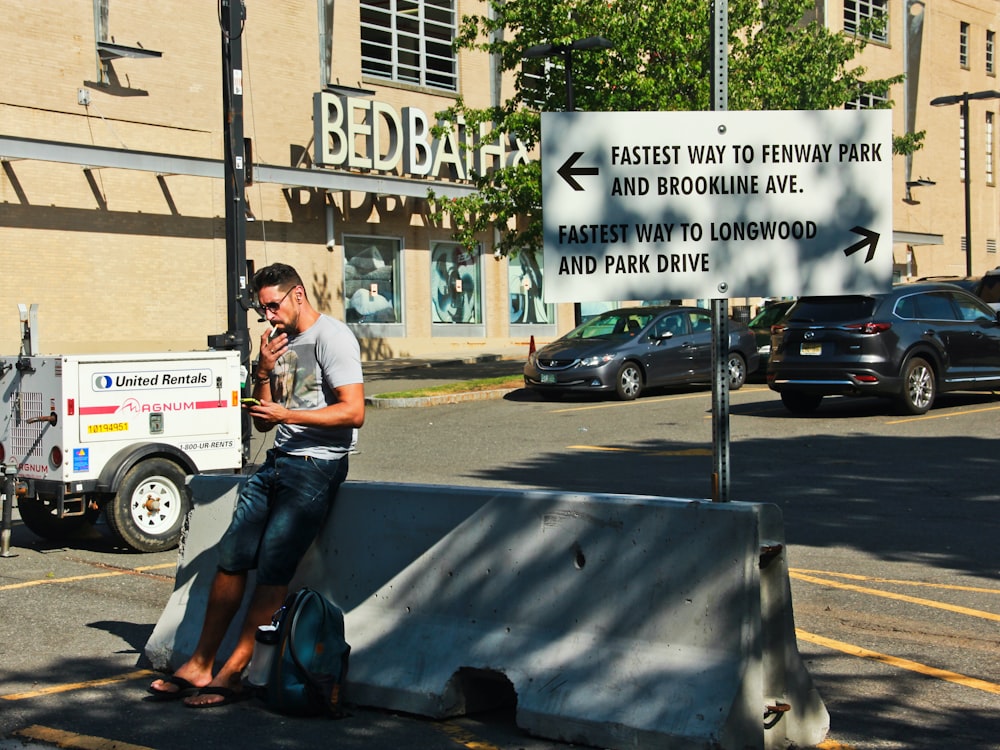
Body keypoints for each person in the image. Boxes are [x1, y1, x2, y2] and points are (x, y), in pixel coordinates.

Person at [148, 262, 365, 708]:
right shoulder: (278, 343)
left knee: (273, 564)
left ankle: (235, 671)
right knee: (232, 555)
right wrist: (263, 372)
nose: (266, 316)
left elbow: (353, 413)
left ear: (298, 296)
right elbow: (267, 410)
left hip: (316, 465)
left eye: (272, 305)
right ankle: (201, 662)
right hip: (278, 460)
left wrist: (287, 417)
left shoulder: (333, 338)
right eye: (261, 308)